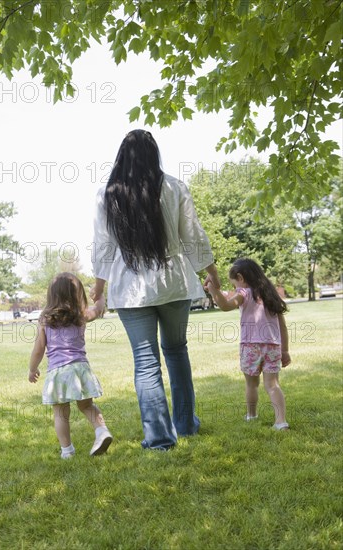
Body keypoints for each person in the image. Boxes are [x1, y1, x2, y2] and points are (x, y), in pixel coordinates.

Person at [91, 129, 220, 450]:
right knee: (177, 352)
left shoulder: (107, 194)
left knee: (145, 362)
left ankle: (160, 438)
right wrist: (213, 275)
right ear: (154, 155)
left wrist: (98, 290)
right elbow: (193, 237)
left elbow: (102, 247)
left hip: (130, 289)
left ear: (122, 156)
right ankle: (186, 425)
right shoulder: (175, 187)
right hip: (173, 284)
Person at [28, 272, 113, 458]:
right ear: (78, 294)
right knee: (86, 406)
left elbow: (38, 348)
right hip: (81, 368)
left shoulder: (45, 319)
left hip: (58, 372)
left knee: (60, 413)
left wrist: (32, 369)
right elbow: (98, 309)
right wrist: (100, 295)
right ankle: (101, 431)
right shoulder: (81, 314)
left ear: (52, 295)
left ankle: (67, 451)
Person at [205, 258, 291, 430]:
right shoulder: (270, 294)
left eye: (235, 283)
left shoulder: (244, 293)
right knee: (272, 385)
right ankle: (281, 421)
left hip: (251, 346)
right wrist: (285, 351)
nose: (236, 287)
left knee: (252, 384)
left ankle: (251, 415)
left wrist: (213, 290)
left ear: (241, 278)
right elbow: (282, 326)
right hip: (273, 346)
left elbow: (225, 305)